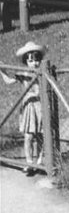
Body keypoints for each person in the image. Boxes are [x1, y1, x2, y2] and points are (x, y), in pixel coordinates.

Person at [1, 42, 47, 176]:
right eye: (31, 60)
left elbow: (39, 92)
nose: (34, 63)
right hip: (28, 108)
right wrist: (2, 70)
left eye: (37, 59)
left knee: (40, 136)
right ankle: (29, 162)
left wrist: (31, 92)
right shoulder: (23, 74)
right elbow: (9, 81)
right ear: (26, 61)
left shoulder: (42, 73)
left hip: (40, 107)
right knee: (28, 136)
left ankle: (39, 161)